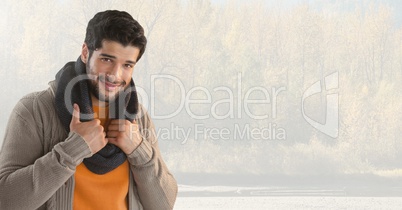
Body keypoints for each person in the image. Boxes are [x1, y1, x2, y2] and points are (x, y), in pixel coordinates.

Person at [0, 10, 177, 210]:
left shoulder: (138, 118)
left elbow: (164, 204)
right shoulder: (35, 110)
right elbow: (6, 201)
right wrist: (72, 150)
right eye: (107, 60)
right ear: (86, 52)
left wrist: (139, 150)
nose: (115, 75)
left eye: (127, 65)